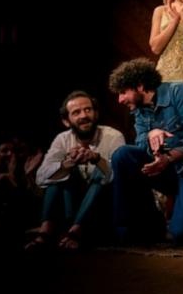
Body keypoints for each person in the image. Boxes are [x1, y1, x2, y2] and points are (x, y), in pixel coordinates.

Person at [107, 58, 183, 244]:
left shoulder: (179, 92)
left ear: (140, 86)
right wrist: (151, 134)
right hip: (164, 170)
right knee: (123, 155)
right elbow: (141, 144)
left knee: (181, 234)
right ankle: (130, 228)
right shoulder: (139, 110)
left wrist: (168, 157)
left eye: (123, 92)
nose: (120, 99)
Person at [28, 90, 125, 250]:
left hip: (103, 207)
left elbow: (120, 177)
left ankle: (76, 232)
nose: (84, 116)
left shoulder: (113, 136)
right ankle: (45, 232)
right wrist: (67, 164)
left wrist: (96, 159)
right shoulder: (62, 139)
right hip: (71, 207)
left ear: (96, 113)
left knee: (102, 169)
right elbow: (41, 178)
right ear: (67, 121)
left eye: (88, 109)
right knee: (58, 173)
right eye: (76, 112)